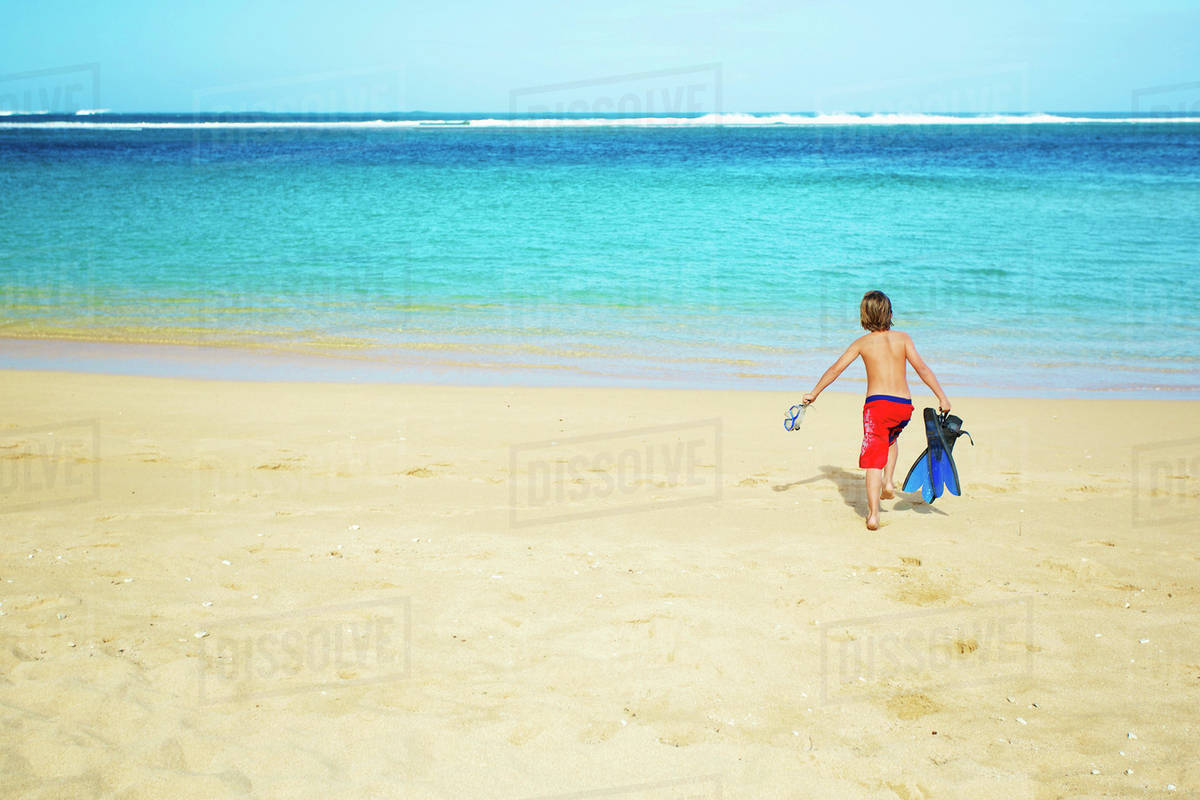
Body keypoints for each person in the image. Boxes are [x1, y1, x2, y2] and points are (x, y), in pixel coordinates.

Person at [803, 290, 951, 530]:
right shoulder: (904, 338)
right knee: (890, 439)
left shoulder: (861, 343)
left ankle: (873, 515)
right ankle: (889, 481)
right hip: (903, 406)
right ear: (890, 313)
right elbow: (922, 369)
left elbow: (835, 369)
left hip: (877, 406)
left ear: (864, 316)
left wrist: (814, 392)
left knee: (874, 457)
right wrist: (942, 396)